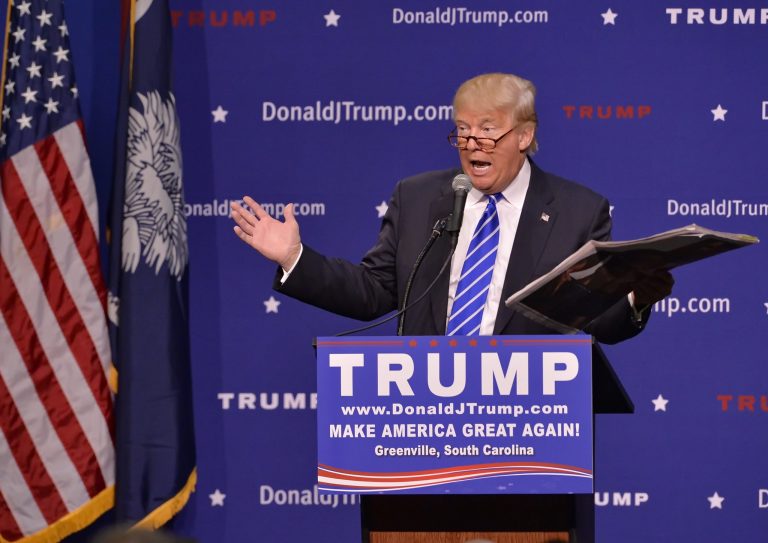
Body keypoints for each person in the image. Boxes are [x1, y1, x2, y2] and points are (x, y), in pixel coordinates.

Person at [230, 73, 673, 343]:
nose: (471, 144)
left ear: (524, 135)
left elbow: (597, 317)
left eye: (487, 130)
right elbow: (373, 293)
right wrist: (294, 258)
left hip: (528, 421)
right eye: (462, 130)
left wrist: (634, 297)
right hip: (429, 418)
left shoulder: (578, 211)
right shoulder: (419, 198)